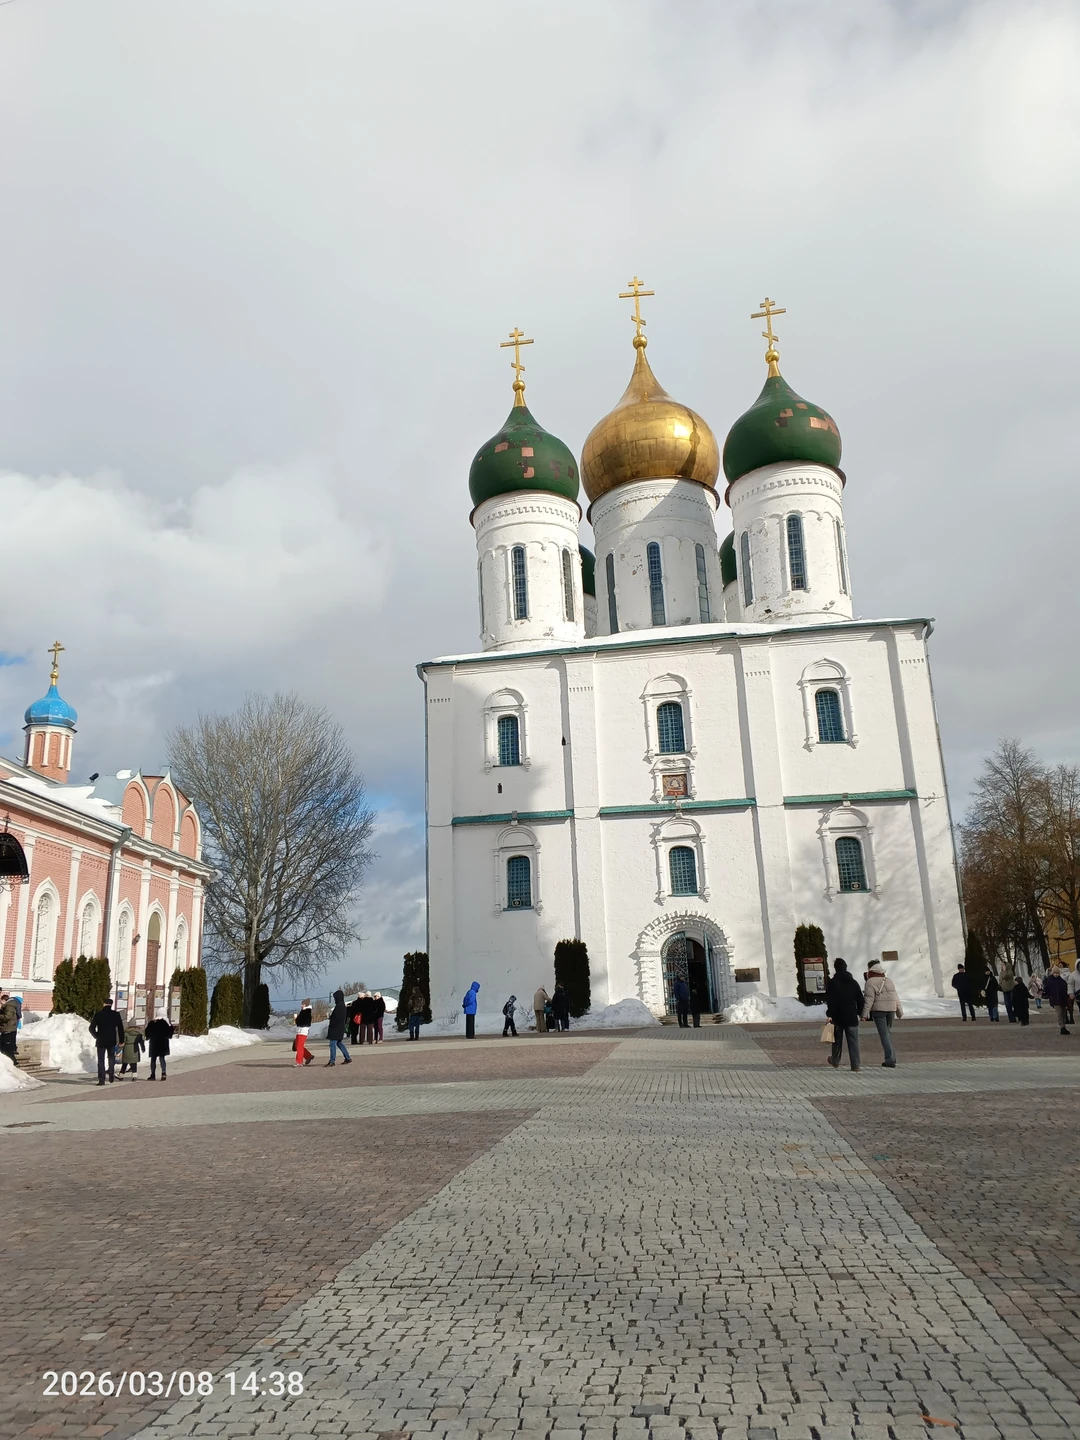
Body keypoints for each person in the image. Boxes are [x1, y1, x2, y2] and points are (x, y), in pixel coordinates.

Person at [862, 960, 902, 1068]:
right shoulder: (888, 980)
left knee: (884, 1035)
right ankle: (892, 1057)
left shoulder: (870, 982)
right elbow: (895, 997)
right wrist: (899, 1010)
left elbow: (869, 999)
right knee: (888, 1033)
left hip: (879, 1011)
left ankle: (889, 1059)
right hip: (891, 1010)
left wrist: (864, 1014)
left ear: (870, 970)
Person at [825, 958, 862, 1072]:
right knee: (853, 1041)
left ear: (835, 968)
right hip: (851, 1016)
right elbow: (860, 999)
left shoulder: (832, 983)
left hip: (837, 1016)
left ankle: (835, 1060)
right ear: (846, 967)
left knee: (836, 1040)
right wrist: (859, 1012)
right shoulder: (853, 982)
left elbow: (830, 1000)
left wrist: (830, 1014)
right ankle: (855, 1064)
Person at [89, 999, 125, 1085]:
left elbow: (91, 1028)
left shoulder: (98, 1015)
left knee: (101, 1060)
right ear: (111, 1005)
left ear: (104, 1004)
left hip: (101, 1040)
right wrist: (121, 1040)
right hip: (111, 1040)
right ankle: (111, 1074)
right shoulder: (116, 1015)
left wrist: (96, 1035)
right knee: (111, 1057)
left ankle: (101, 1079)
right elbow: (120, 1028)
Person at [326, 989, 352, 1065]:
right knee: (339, 1043)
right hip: (339, 1028)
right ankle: (347, 1057)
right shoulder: (342, 1005)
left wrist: (331, 1018)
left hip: (335, 1028)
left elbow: (336, 1018)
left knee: (332, 1044)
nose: (334, 999)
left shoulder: (339, 1006)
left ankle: (332, 1061)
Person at [144, 1014, 175, 1080]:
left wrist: (149, 1036)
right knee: (162, 1058)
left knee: (153, 1059)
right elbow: (170, 1033)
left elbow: (147, 1033)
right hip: (163, 1043)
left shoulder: (152, 1023)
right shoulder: (165, 1023)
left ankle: (153, 1074)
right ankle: (163, 1072)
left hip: (154, 1043)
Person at [1043, 967, 1070, 1035]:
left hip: (1063, 1000)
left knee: (1063, 1013)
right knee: (1059, 1013)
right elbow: (1046, 989)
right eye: (1055, 973)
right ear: (1052, 973)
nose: (1056, 974)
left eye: (1057, 973)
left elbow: (1065, 990)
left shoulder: (1062, 981)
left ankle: (1063, 1026)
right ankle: (1062, 1027)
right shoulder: (1049, 980)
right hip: (1055, 1000)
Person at [294, 999, 314, 1067]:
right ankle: (308, 1056)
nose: (301, 1005)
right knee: (298, 1045)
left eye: (302, 1004)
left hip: (303, 1030)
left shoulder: (305, 1012)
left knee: (299, 1046)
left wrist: (296, 1019)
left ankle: (299, 1061)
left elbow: (300, 1022)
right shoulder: (305, 1012)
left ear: (305, 1005)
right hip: (301, 1030)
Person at [0, 992, 19, 1065]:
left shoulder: (9, 1006)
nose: (1, 1003)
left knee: (7, 1048)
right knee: (3, 1046)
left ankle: (14, 1063)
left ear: (4, 1000)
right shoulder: (9, 1006)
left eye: (1, 1001)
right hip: (8, 1029)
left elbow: (7, 1017)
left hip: (8, 1029)